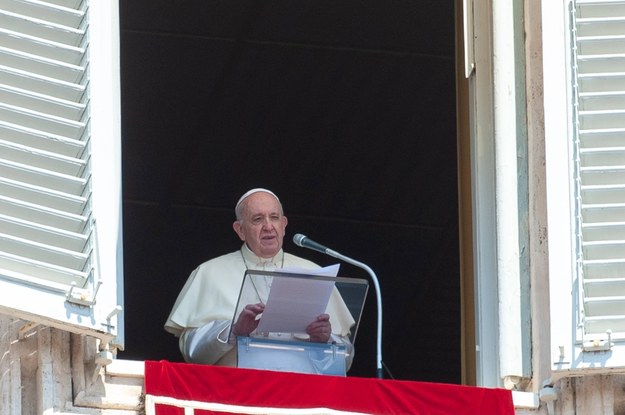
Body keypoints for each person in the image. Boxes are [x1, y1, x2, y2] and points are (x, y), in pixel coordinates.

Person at [164, 188, 355, 369]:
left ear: (284, 224)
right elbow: (191, 352)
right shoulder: (209, 272)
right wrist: (234, 331)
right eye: (257, 219)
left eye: (274, 217)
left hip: (302, 393)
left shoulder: (314, 272)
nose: (268, 226)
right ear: (240, 230)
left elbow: (346, 360)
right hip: (238, 393)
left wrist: (325, 340)